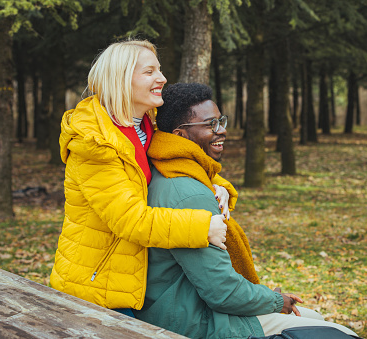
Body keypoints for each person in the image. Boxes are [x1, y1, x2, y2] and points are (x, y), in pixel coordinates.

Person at [135, 82, 359, 338]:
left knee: (314, 319)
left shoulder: (165, 171)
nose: (222, 131)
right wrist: (277, 301)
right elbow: (222, 291)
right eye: (211, 125)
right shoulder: (191, 194)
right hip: (195, 322)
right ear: (181, 136)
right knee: (339, 333)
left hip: (174, 308)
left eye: (221, 121)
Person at [49, 40, 235, 311]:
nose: (162, 78)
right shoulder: (94, 143)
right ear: (121, 79)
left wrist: (218, 184)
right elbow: (129, 219)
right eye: (149, 72)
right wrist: (202, 227)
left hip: (133, 277)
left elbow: (180, 159)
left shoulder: (146, 126)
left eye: (159, 70)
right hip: (97, 288)